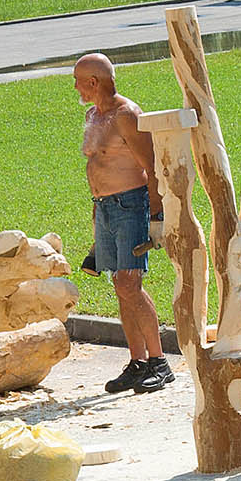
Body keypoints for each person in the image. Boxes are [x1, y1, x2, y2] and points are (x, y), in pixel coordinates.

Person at [74, 53, 172, 394]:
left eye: (78, 82)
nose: (75, 88)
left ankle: (160, 363)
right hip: (104, 208)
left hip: (131, 205)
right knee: (120, 285)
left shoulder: (127, 115)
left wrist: (156, 217)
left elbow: (152, 167)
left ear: (94, 82)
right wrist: (95, 223)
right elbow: (97, 169)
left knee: (130, 283)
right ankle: (137, 362)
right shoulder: (92, 116)